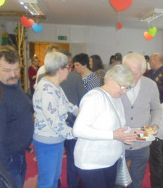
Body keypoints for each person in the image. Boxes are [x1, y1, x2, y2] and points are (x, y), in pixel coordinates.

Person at [73, 64, 138, 188]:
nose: (124, 91)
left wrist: (130, 131)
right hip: (92, 163)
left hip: (110, 161)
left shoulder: (116, 97)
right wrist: (113, 135)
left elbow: (117, 126)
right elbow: (78, 130)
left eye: (127, 88)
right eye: (122, 86)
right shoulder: (94, 97)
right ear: (110, 79)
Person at [0, 45, 34, 188]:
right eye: (7, 70)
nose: (13, 74)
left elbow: (19, 103)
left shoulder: (10, 84)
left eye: (16, 69)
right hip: (7, 162)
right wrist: (2, 175)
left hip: (18, 156)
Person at [33, 52, 79, 188]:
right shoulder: (47, 89)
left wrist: (80, 111)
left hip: (56, 139)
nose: (69, 71)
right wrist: (75, 134)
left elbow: (67, 104)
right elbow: (54, 121)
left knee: (54, 179)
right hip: (47, 141)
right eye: (68, 67)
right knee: (46, 181)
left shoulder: (55, 86)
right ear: (60, 69)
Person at [120, 52, 162, 188]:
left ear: (144, 70)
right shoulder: (115, 84)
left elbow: (157, 109)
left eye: (135, 73)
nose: (130, 78)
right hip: (119, 143)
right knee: (117, 182)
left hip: (141, 143)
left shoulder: (150, 85)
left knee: (136, 182)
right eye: (127, 72)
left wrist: (155, 124)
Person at [60, 50, 87, 188]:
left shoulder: (43, 77)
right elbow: (83, 98)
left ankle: (56, 183)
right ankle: (73, 184)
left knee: (54, 159)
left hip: (54, 126)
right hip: (71, 122)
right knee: (72, 157)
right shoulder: (76, 77)